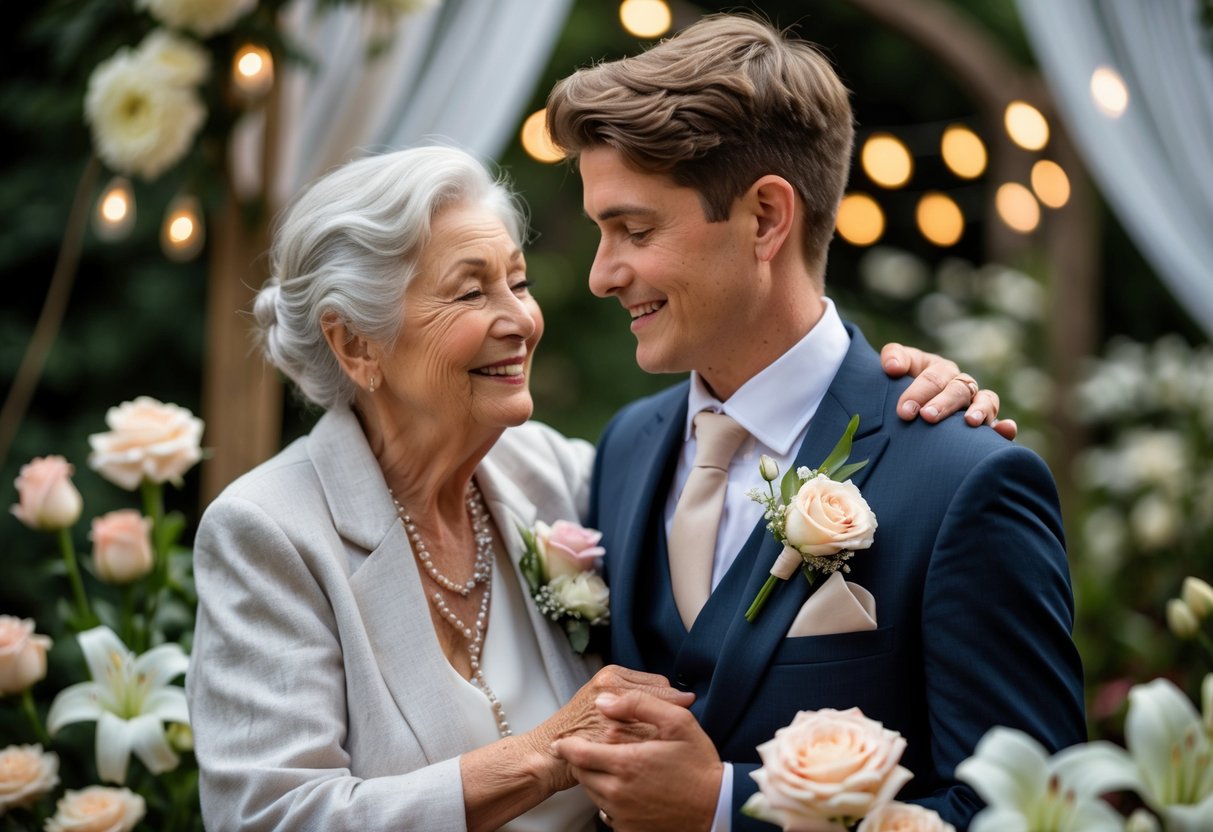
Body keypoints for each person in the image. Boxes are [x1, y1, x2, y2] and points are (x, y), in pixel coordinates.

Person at [184, 145, 1005, 830]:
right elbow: (269, 816)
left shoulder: (557, 472)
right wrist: (540, 756)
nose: (520, 319)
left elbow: (742, 459)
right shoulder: (269, 530)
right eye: (470, 291)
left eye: (517, 282)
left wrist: (894, 397)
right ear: (355, 344)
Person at [545, 14, 1086, 832]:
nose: (600, 274)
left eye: (635, 230)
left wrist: (722, 808)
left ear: (766, 218)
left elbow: (1030, 813)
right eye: (600, 232)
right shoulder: (624, 448)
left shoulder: (962, 480)